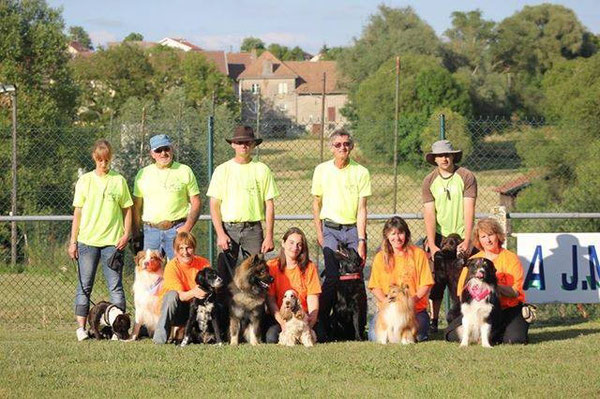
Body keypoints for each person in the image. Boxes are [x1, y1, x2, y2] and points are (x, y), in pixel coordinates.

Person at [68, 139, 132, 341]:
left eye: (106, 160)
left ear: (110, 158)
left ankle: (118, 329)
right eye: (99, 160)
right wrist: (73, 241)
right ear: (94, 159)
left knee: (115, 286)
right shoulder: (85, 181)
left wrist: (126, 234)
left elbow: (127, 209)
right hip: (87, 241)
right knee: (85, 285)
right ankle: (81, 329)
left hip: (112, 242)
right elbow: (77, 212)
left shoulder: (118, 181)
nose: (103, 164)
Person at [311, 129, 371, 340]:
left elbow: (362, 208)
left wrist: (362, 239)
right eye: (338, 144)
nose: (342, 148)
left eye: (346, 144)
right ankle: (322, 325)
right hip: (331, 230)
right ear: (331, 147)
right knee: (332, 278)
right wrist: (319, 232)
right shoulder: (321, 170)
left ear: (351, 146)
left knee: (356, 279)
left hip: (353, 229)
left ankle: (359, 329)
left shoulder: (361, 172)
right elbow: (316, 203)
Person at [206, 125, 279, 287]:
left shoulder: (262, 169)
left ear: (253, 145)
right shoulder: (222, 170)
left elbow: (269, 204)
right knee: (224, 277)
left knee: (257, 275)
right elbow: (214, 204)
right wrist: (220, 233)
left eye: (247, 142)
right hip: (229, 229)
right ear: (233, 144)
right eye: (239, 142)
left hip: (253, 230)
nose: (243, 146)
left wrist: (268, 235)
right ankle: (225, 312)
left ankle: (257, 312)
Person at [422, 139, 477, 333]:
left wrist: (468, 239)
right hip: (440, 237)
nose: (444, 158)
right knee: (438, 281)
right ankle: (434, 320)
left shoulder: (466, 176)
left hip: (461, 236)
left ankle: (465, 316)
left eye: (447, 154)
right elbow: (429, 213)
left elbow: (469, 208)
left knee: (463, 281)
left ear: (453, 156)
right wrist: (431, 241)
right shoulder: (429, 181)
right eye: (440, 155)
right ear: (434, 159)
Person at [445, 218, 529, 344]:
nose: (488, 240)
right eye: (483, 236)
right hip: (477, 309)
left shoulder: (511, 259)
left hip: (508, 308)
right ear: (478, 240)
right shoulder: (473, 261)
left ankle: (495, 333)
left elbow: (515, 292)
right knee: (451, 336)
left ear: (498, 236)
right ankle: (484, 333)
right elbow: (461, 292)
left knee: (515, 339)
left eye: (491, 235)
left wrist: (493, 286)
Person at [132, 134, 201, 260]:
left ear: (172, 149)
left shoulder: (184, 170)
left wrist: (187, 227)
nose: (163, 153)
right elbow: (136, 206)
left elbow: (196, 202)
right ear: (152, 154)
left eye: (166, 149)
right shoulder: (143, 174)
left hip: (177, 230)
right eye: (158, 150)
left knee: (180, 270)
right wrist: (136, 233)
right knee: (150, 274)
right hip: (151, 231)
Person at [368, 217, 433, 342]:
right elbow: (374, 286)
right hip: (388, 310)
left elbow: (426, 284)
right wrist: (385, 302)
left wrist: (408, 302)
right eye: (393, 234)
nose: (397, 238)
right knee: (375, 337)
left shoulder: (418, 254)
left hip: (414, 311)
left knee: (416, 336)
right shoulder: (380, 257)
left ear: (406, 234)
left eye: (400, 233)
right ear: (387, 235)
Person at [265, 227, 322, 343]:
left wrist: (308, 325)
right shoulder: (271, 266)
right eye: (291, 243)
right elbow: (270, 300)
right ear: (283, 243)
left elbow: (313, 299)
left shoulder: (309, 267)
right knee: (271, 337)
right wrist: (283, 324)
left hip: (303, 317)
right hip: (282, 317)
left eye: (299, 244)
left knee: (321, 335)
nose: (295, 248)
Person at [153, 232, 210, 344]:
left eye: (188, 248)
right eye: (181, 248)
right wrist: (195, 292)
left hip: (195, 307)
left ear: (194, 248)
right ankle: (159, 340)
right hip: (175, 309)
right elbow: (181, 296)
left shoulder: (204, 263)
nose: (185, 252)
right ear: (175, 251)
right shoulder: (171, 266)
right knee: (171, 295)